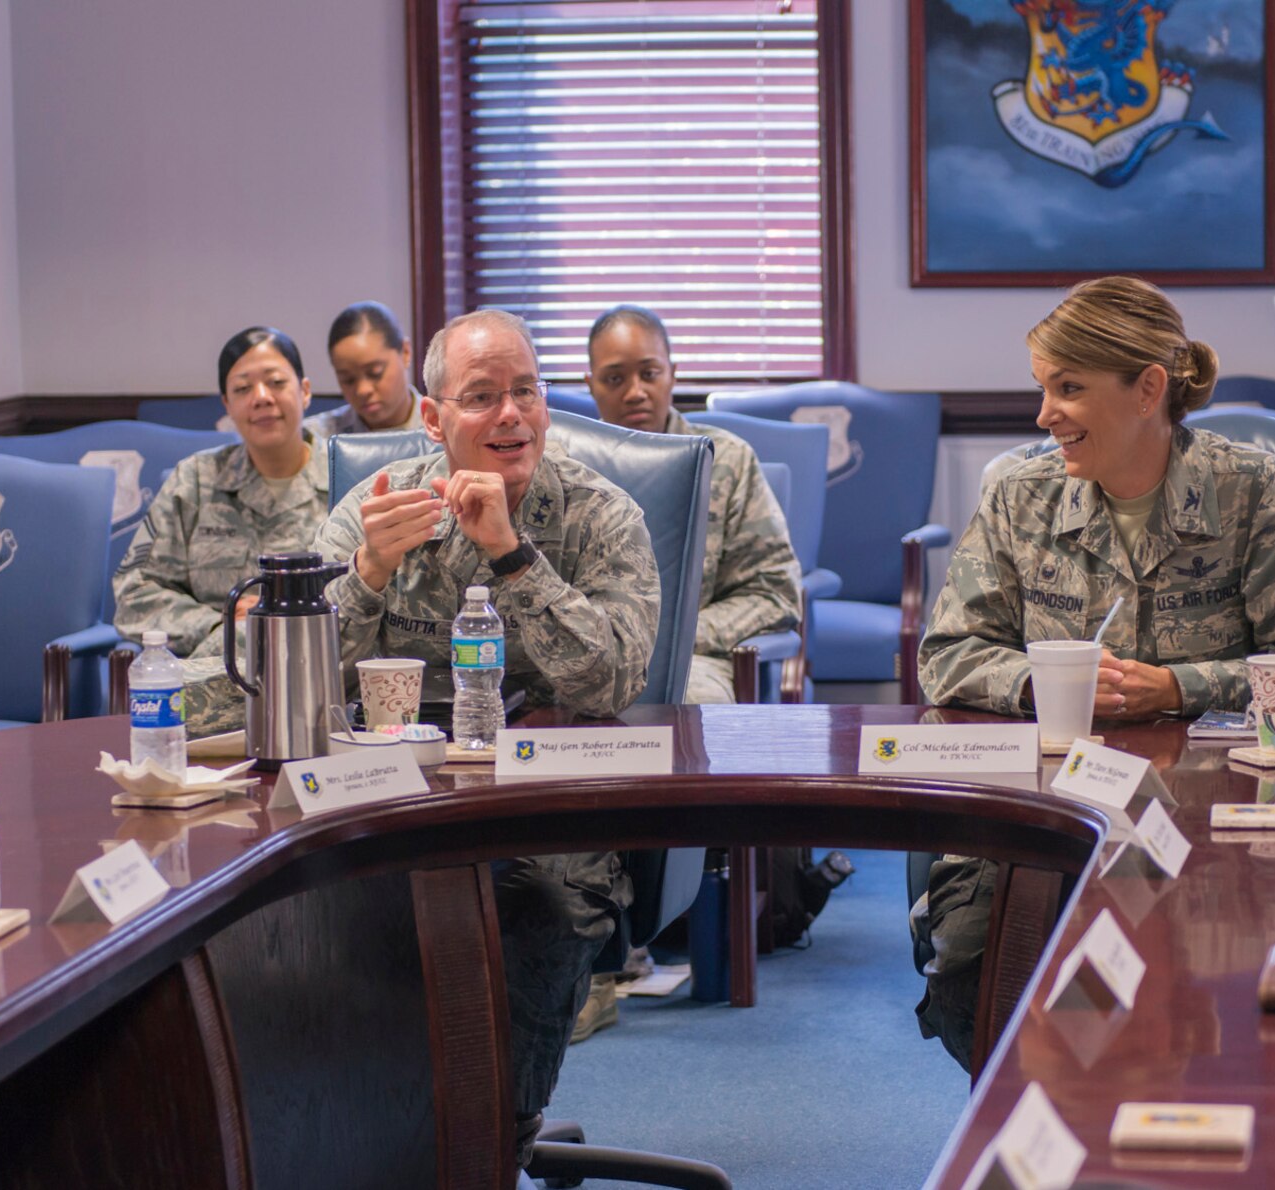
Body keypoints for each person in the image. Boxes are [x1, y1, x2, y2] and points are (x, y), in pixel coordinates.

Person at [914, 276, 1275, 1070]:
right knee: (970, 972)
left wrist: (1179, 687)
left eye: (1069, 389)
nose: (1044, 415)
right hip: (1051, 802)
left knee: (1191, 964)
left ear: (1148, 389)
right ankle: (1036, 1112)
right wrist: (1035, 683)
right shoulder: (1020, 494)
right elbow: (946, 655)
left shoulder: (1250, 489)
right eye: (1044, 388)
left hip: (1214, 813)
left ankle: (1153, 1093)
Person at [312, 308, 658, 1167]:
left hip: (549, 807)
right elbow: (293, 675)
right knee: (286, 908)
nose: (511, 416)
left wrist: (512, 555)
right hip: (395, 797)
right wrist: (367, 575)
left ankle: (495, 1143)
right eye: (481, 398)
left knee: (539, 905)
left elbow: (612, 680)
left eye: (526, 392)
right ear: (431, 418)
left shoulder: (597, 515)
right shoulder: (375, 509)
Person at [585, 304, 802, 703]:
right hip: (585, 658)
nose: (635, 392)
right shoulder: (567, 469)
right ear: (591, 384)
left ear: (672, 374)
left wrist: (673, 637)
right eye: (614, 378)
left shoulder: (727, 461)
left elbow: (773, 593)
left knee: (693, 714)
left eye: (649, 374)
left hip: (692, 660)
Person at [115, 327, 333, 706]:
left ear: (306, 391)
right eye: (243, 389)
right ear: (227, 406)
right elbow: (134, 594)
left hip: (318, 685)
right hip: (209, 690)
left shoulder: (347, 479)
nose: (261, 398)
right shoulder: (195, 481)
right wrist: (223, 621)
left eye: (276, 382)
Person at [304, 301, 424, 438]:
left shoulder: (444, 427)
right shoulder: (317, 439)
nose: (362, 390)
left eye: (375, 373)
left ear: (405, 352)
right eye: (348, 380)